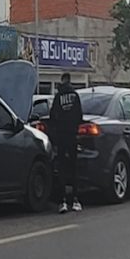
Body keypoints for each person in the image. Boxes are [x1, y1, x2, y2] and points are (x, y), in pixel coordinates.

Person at [49, 72, 83, 213]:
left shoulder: (58, 97)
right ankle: (75, 200)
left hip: (61, 137)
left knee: (62, 168)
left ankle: (62, 201)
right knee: (74, 167)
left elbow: (52, 116)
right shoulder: (75, 96)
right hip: (72, 137)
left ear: (62, 81)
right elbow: (79, 116)